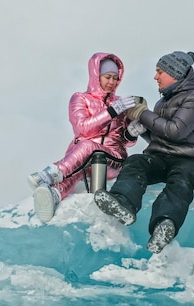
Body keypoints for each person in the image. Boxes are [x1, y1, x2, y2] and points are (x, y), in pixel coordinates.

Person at [94, 51, 194, 254]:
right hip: (161, 158)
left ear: (174, 73)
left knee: (180, 181)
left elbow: (175, 131)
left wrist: (142, 114)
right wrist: (142, 129)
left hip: (190, 161)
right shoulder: (162, 102)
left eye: (159, 72)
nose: (155, 77)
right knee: (136, 162)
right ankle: (124, 203)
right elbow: (161, 135)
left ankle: (164, 225)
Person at [28, 52, 143, 223]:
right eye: (107, 77)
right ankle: (55, 194)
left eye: (115, 78)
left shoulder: (120, 104)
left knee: (89, 149)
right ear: (96, 75)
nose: (112, 82)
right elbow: (82, 128)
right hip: (80, 157)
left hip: (111, 160)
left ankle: (52, 173)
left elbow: (123, 141)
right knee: (76, 170)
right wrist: (111, 111)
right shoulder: (80, 99)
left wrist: (131, 133)